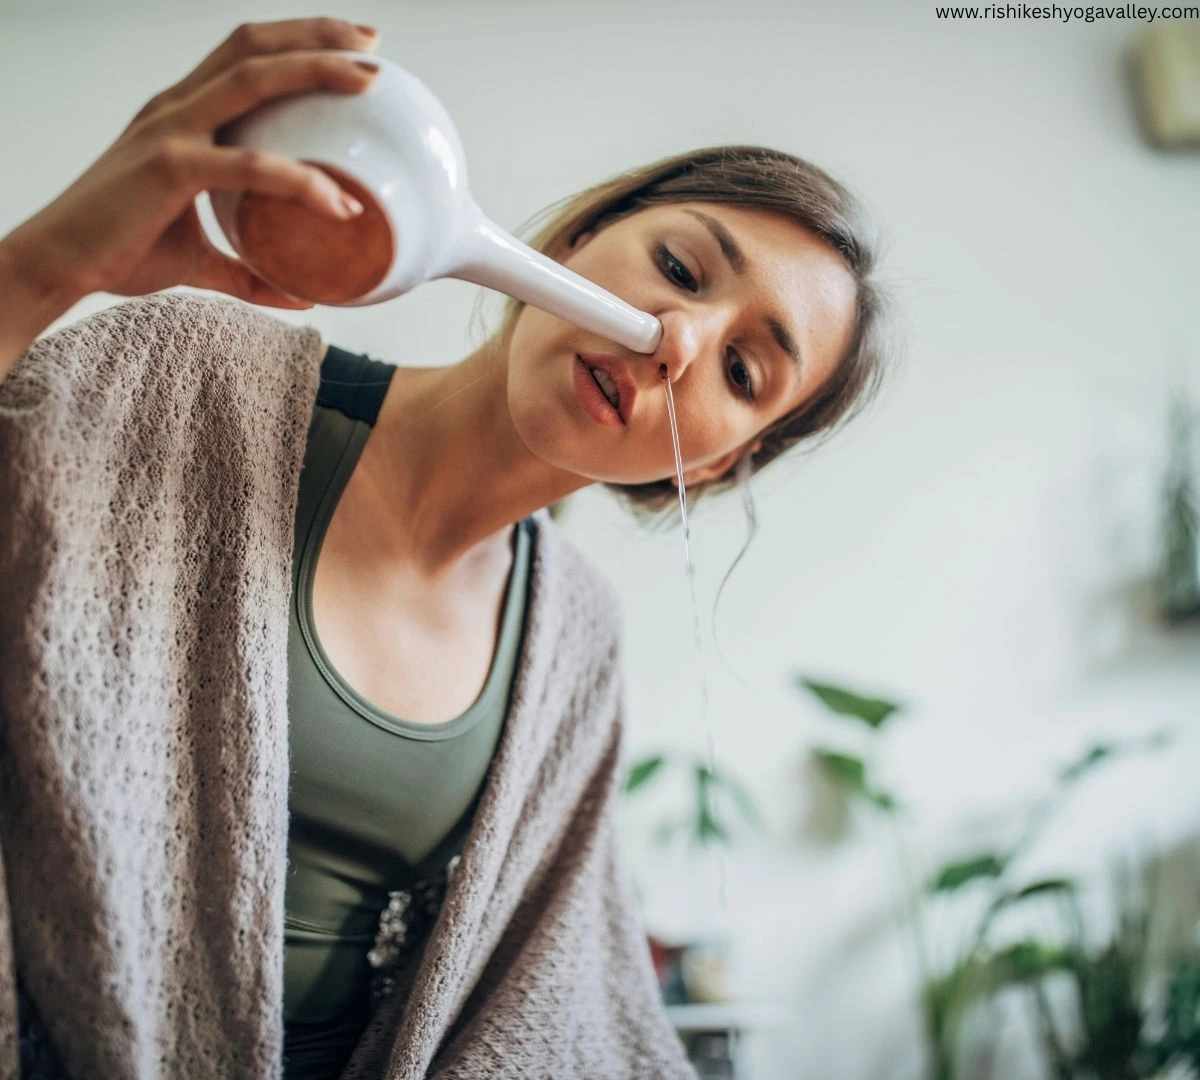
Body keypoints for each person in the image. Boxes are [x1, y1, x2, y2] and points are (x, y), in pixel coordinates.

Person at [0, 16, 891, 1080]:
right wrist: (44, 266)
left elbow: (560, 1005)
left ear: (726, 462)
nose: (676, 342)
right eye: (677, 266)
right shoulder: (179, 382)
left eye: (744, 375)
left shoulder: (576, 644)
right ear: (573, 240)